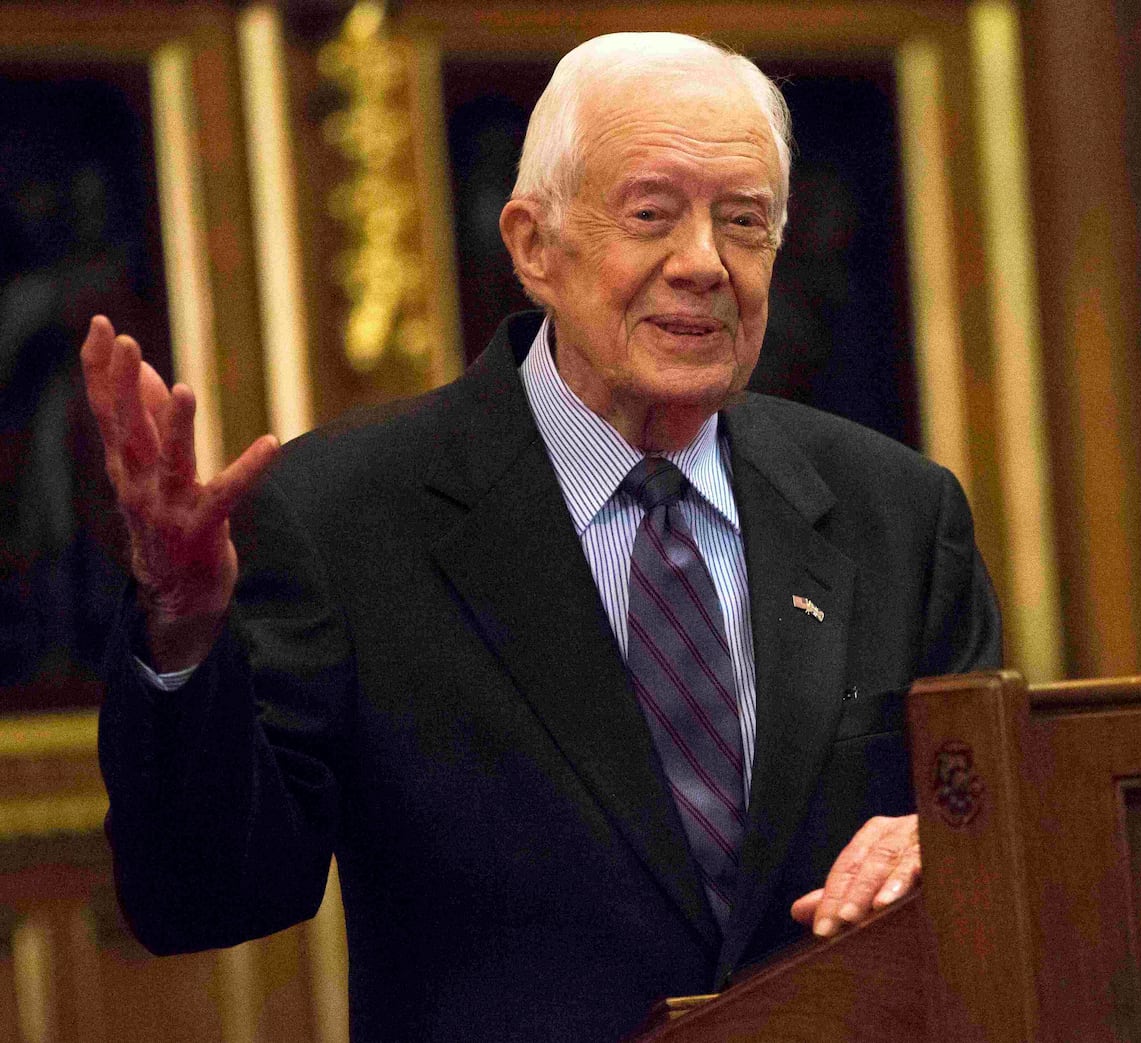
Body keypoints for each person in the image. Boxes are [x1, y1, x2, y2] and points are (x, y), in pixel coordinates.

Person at [83, 32, 1000, 1042]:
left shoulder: (896, 512)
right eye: (651, 214)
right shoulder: (345, 513)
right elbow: (204, 895)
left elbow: (992, 827)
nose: (703, 262)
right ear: (532, 246)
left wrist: (948, 844)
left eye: (744, 222)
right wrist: (181, 630)